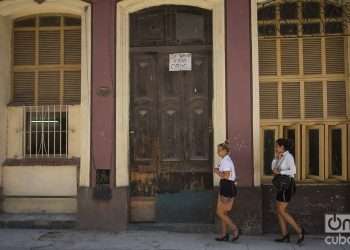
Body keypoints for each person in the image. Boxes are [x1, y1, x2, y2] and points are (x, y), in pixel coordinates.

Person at [272, 138, 305, 244]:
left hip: (287, 185)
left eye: (277, 146)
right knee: (278, 210)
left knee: (281, 210)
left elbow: (293, 171)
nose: (276, 147)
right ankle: (285, 235)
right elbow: (273, 169)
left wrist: (281, 172)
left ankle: (299, 230)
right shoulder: (280, 156)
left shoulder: (289, 156)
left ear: (282, 147)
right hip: (281, 185)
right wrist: (276, 159)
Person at [214, 140, 239, 242]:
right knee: (223, 212)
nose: (218, 152)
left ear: (225, 151)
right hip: (227, 186)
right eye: (218, 150)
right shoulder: (225, 160)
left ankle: (235, 229)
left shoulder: (226, 161)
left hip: (227, 186)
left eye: (220, 150)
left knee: (220, 213)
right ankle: (224, 234)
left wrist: (216, 171)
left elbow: (226, 175)